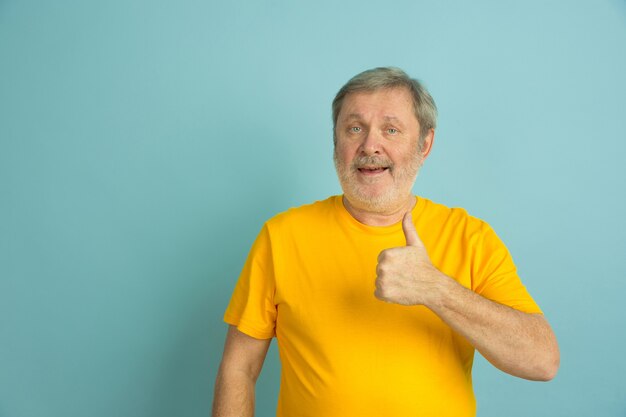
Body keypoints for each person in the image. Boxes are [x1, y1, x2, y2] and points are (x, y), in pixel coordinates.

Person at [212, 67, 560, 417]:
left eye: (390, 130)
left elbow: (541, 362)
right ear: (336, 141)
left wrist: (436, 290)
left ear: (425, 144)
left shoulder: (470, 237)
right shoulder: (282, 236)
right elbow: (238, 369)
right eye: (354, 128)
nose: (370, 146)